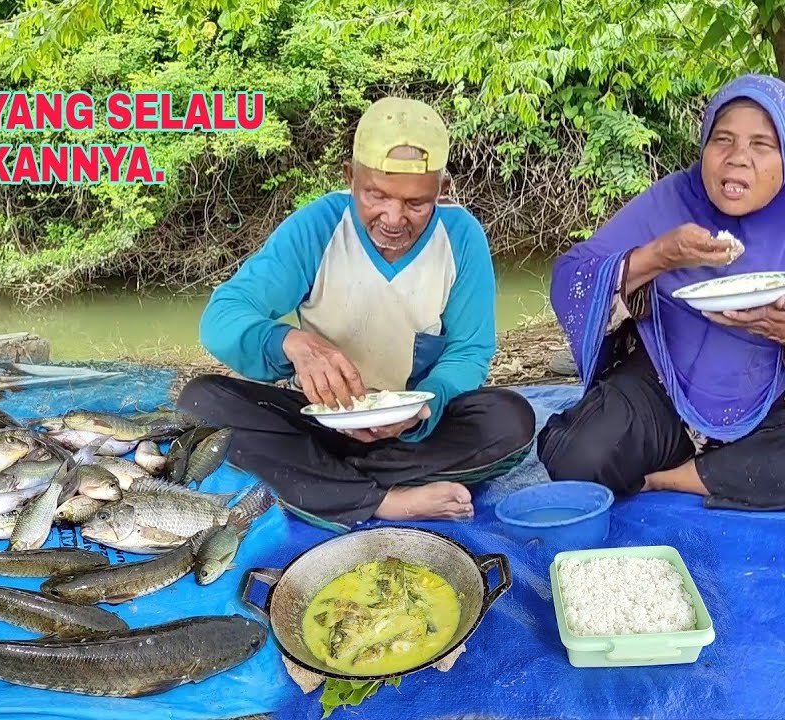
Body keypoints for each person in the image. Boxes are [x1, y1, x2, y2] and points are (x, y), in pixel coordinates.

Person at [176, 97, 537, 531]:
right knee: (201, 401)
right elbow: (223, 316)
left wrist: (425, 407)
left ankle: (321, 485)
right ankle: (383, 500)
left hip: (412, 434)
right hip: (318, 422)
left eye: (417, 204)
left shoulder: (460, 238)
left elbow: (469, 351)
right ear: (350, 178)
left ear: (441, 189)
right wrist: (290, 343)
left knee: (511, 419)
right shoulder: (318, 227)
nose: (393, 218)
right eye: (376, 195)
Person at [538, 74, 785, 511]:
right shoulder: (669, 203)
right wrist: (658, 256)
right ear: (704, 146)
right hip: (661, 386)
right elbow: (572, 278)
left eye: (762, 145)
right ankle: (719, 471)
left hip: (775, 406)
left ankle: (671, 478)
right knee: (579, 455)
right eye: (723, 140)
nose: (738, 159)